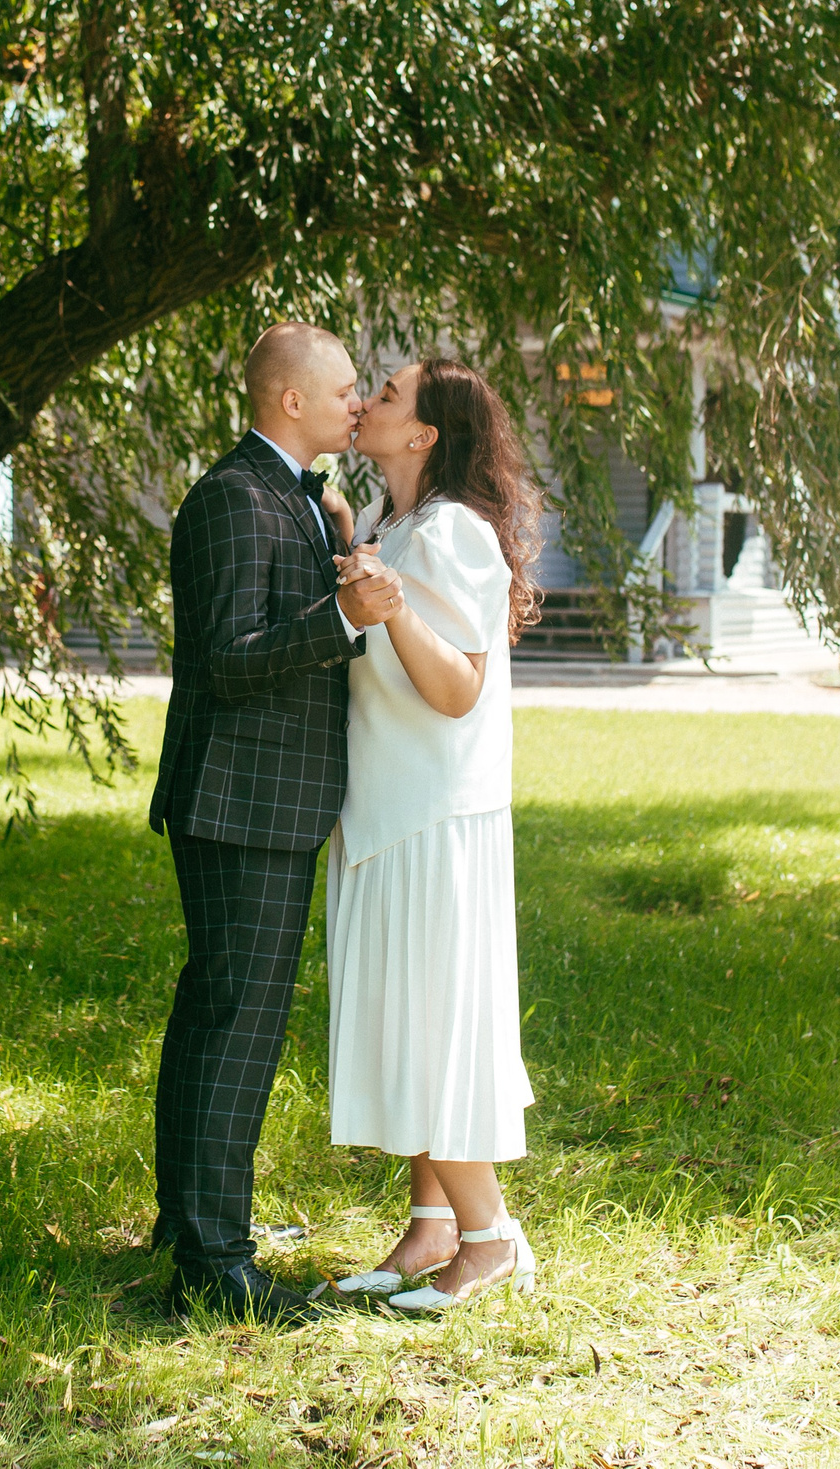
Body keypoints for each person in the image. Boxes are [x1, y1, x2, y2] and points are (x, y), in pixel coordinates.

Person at [148, 321, 403, 1325]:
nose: (357, 403)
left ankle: (188, 1222)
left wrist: (336, 542)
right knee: (237, 1029)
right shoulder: (232, 496)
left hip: (264, 800)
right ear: (290, 400)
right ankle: (217, 1264)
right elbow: (227, 657)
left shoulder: (291, 494)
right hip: (240, 799)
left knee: (216, 1017)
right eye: (343, 390)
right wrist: (344, 621)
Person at [321, 357, 540, 1313]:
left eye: (387, 395)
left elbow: (459, 689)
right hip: (389, 806)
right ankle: (431, 1224)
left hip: (434, 817)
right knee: (406, 1018)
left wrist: (393, 601)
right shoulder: (395, 521)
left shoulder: (452, 531)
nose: (365, 402)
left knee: (432, 1022)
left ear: (423, 434)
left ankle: (491, 1239)